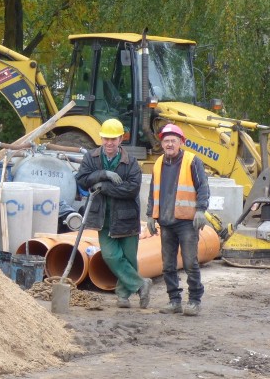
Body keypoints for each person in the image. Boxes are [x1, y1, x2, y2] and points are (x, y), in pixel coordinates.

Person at [76, 118, 152, 308]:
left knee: (128, 258)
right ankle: (141, 284)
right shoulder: (91, 158)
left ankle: (123, 296)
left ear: (120, 140)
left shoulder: (131, 162)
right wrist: (103, 174)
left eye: (113, 139)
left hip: (126, 218)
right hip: (103, 218)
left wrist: (103, 187)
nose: (109, 143)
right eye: (106, 139)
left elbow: (132, 189)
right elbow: (82, 180)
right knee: (110, 256)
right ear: (101, 139)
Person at [146, 124, 210, 316]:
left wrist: (201, 210)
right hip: (166, 222)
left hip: (187, 222)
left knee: (191, 263)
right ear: (162, 143)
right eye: (166, 141)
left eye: (173, 140)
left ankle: (194, 300)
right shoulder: (158, 163)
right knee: (168, 265)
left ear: (181, 142)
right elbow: (152, 191)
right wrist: (150, 215)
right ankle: (174, 300)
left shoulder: (192, 161)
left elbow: (203, 187)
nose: (169, 144)